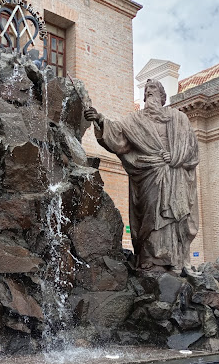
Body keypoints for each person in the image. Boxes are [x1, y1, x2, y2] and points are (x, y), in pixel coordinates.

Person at [84, 79, 199, 271]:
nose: (150, 94)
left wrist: (176, 158)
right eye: (147, 92)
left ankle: (174, 259)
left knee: (173, 219)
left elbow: (192, 149)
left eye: (154, 91)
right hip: (148, 176)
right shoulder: (135, 120)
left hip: (174, 176)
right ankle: (149, 258)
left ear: (163, 97)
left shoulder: (179, 119)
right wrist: (99, 119)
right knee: (150, 216)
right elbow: (118, 134)